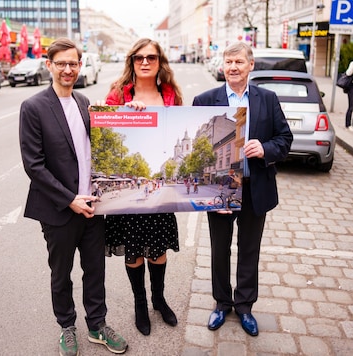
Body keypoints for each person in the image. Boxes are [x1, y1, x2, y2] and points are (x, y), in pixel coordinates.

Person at [19, 38, 127, 356]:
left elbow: (105, 144)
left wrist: (130, 110)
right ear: (49, 65)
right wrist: (70, 199)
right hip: (59, 209)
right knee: (61, 272)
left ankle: (97, 325)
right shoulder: (34, 107)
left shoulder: (83, 102)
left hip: (93, 206)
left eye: (73, 63)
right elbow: (34, 165)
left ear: (80, 66)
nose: (68, 69)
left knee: (95, 270)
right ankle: (67, 326)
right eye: (61, 63)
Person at [192, 41, 293, 337]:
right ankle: (222, 303)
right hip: (221, 189)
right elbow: (195, 146)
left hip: (254, 188)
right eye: (228, 61)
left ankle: (245, 306)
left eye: (239, 62)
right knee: (219, 249)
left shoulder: (267, 99)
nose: (233, 67)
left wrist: (265, 148)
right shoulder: (205, 99)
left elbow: (284, 139)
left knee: (249, 249)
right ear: (222, 65)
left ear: (251, 66)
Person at [101, 38, 183, 336]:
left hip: (159, 191)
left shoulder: (170, 95)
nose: (145, 62)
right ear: (131, 61)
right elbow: (104, 135)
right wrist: (124, 111)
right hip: (129, 199)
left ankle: (158, 299)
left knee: (158, 248)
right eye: (139, 57)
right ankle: (140, 303)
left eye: (151, 57)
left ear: (160, 61)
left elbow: (174, 136)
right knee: (134, 252)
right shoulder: (117, 95)